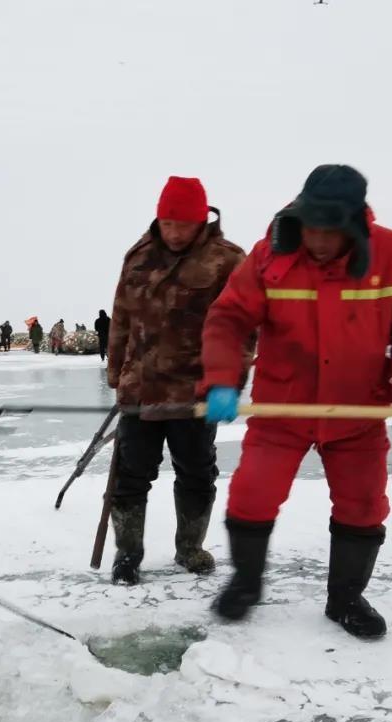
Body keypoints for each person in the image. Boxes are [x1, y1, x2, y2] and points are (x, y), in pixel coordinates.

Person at [201, 165, 392, 639]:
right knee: (252, 495)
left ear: (353, 223)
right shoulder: (271, 255)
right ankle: (246, 582)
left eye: (330, 231)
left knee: (364, 504)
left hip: (357, 410)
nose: (319, 241)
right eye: (312, 228)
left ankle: (346, 598)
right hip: (282, 408)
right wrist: (222, 380)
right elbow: (228, 320)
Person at [106, 176, 246, 585]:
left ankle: (190, 548)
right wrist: (117, 372)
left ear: (202, 220)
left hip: (195, 391)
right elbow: (121, 319)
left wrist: (230, 384)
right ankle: (128, 554)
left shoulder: (228, 260)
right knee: (131, 475)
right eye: (167, 223)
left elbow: (242, 330)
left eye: (183, 225)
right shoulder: (138, 257)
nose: (174, 233)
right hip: (141, 388)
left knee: (197, 472)